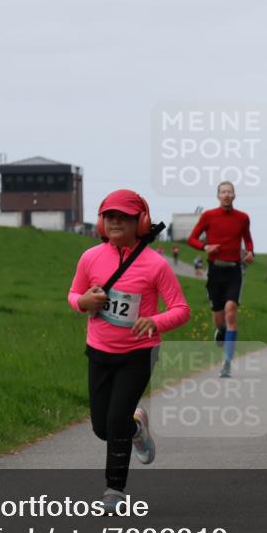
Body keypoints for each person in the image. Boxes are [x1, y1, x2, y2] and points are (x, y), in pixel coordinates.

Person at [68, 189, 191, 513]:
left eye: (123, 217)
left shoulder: (155, 265)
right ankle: (137, 428)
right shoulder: (90, 258)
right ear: (100, 221)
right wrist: (83, 302)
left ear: (141, 222)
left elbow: (181, 308)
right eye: (109, 216)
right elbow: (74, 294)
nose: (115, 222)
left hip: (138, 354)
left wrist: (155, 321)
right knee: (102, 428)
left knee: (116, 417)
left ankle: (114, 490)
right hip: (99, 351)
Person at [187, 181, 255, 378]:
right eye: (223, 192)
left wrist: (250, 252)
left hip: (234, 270)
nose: (226, 195)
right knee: (219, 319)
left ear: (234, 196)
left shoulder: (243, 218)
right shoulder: (208, 215)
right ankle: (221, 330)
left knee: (231, 312)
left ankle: (227, 362)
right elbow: (192, 238)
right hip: (215, 271)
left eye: (229, 192)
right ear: (218, 196)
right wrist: (204, 247)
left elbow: (248, 239)